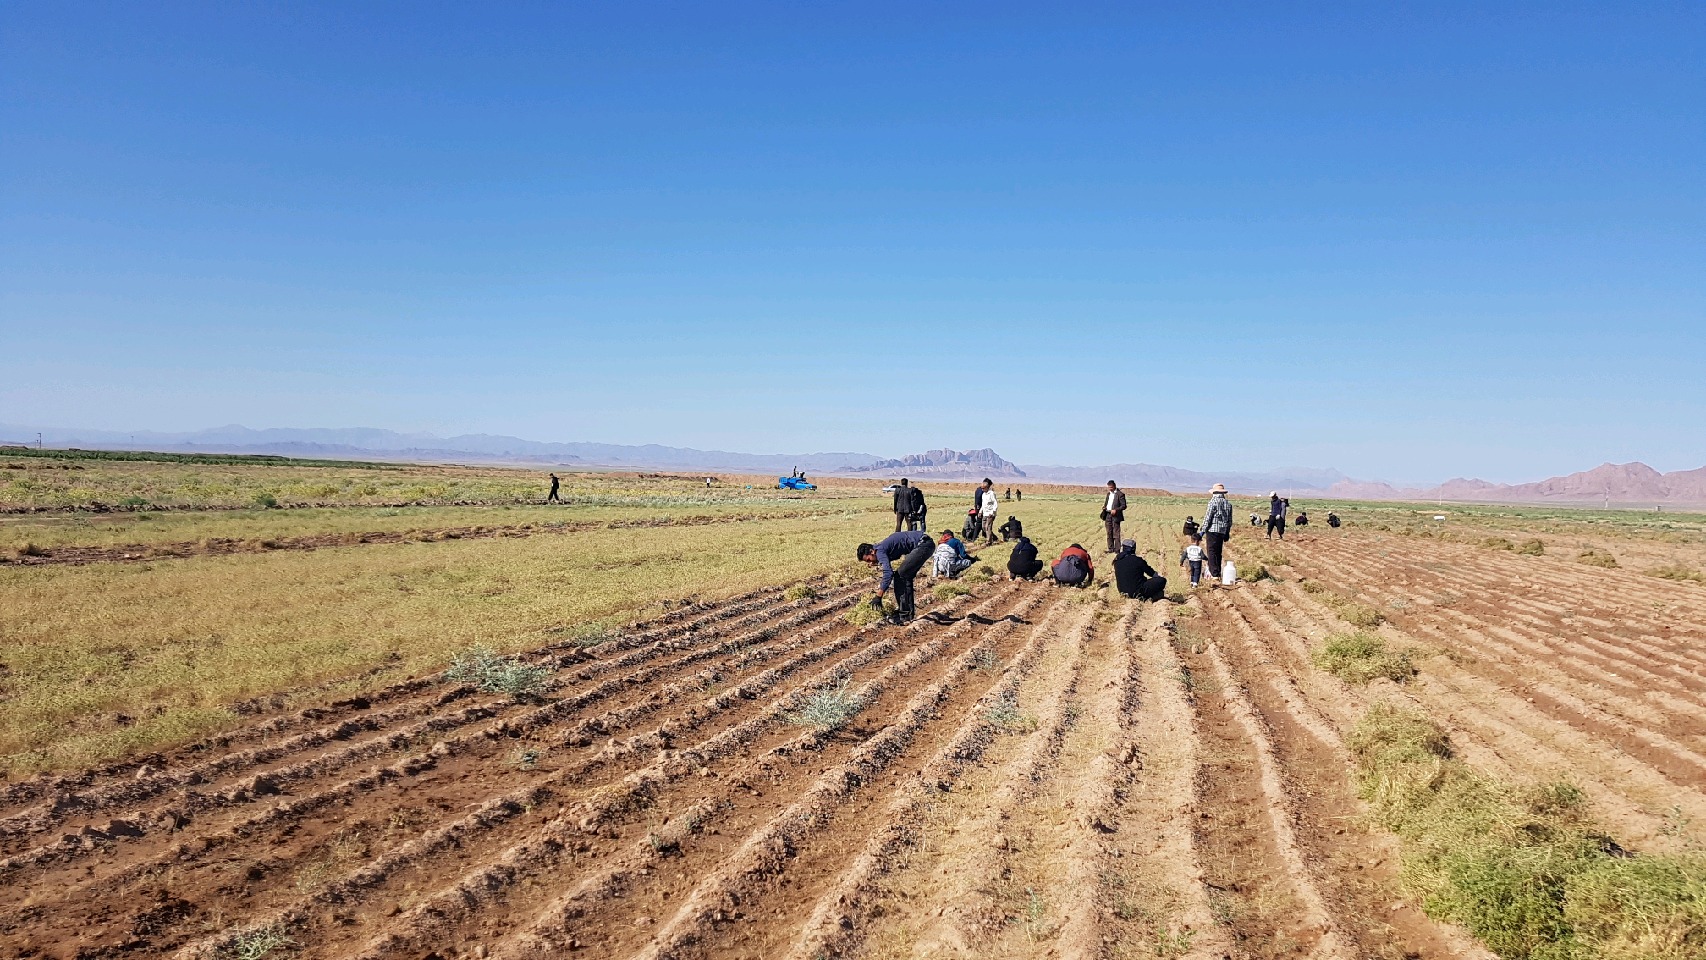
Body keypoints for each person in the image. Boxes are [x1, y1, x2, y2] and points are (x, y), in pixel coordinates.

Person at [857, 530, 936, 625]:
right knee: (905, 576)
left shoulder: (879, 551)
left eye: (869, 560)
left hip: (923, 545)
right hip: (925, 543)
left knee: (900, 576)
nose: (870, 563)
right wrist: (877, 562)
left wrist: (879, 595)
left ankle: (904, 615)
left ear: (872, 551)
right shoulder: (879, 549)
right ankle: (906, 613)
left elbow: (888, 573)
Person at [1202, 484, 1233, 580]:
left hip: (1212, 530)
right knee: (1218, 552)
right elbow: (1229, 521)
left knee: (1211, 551)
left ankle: (1214, 574)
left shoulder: (1213, 502)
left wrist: (1203, 530)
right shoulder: (1228, 504)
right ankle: (1218, 572)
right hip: (1222, 531)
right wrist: (1227, 532)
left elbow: (1208, 517)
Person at [1101, 480, 1127, 554]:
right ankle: (1110, 549)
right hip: (1108, 515)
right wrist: (1104, 507)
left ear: (1114, 486)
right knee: (1109, 532)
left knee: (1116, 533)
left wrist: (1116, 510)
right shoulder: (1108, 494)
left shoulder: (1120, 494)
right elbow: (1106, 504)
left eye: (1111, 487)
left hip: (1116, 516)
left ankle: (1117, 550)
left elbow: (1124, 506)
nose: (1110, 489)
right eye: (1109, 487)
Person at [979, 480, 1000, 544]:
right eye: (981, 488)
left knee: (988, 527)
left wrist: (993, 512)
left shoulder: (991, 493)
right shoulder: (983, 495)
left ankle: (989, 541)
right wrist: (980, 511)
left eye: (983, 488)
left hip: (990, 514)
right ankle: (993, 538)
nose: (982, 489)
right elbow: (983, 504)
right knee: (983, 527)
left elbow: (995, 503)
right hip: (985, 513)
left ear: (987, 487)